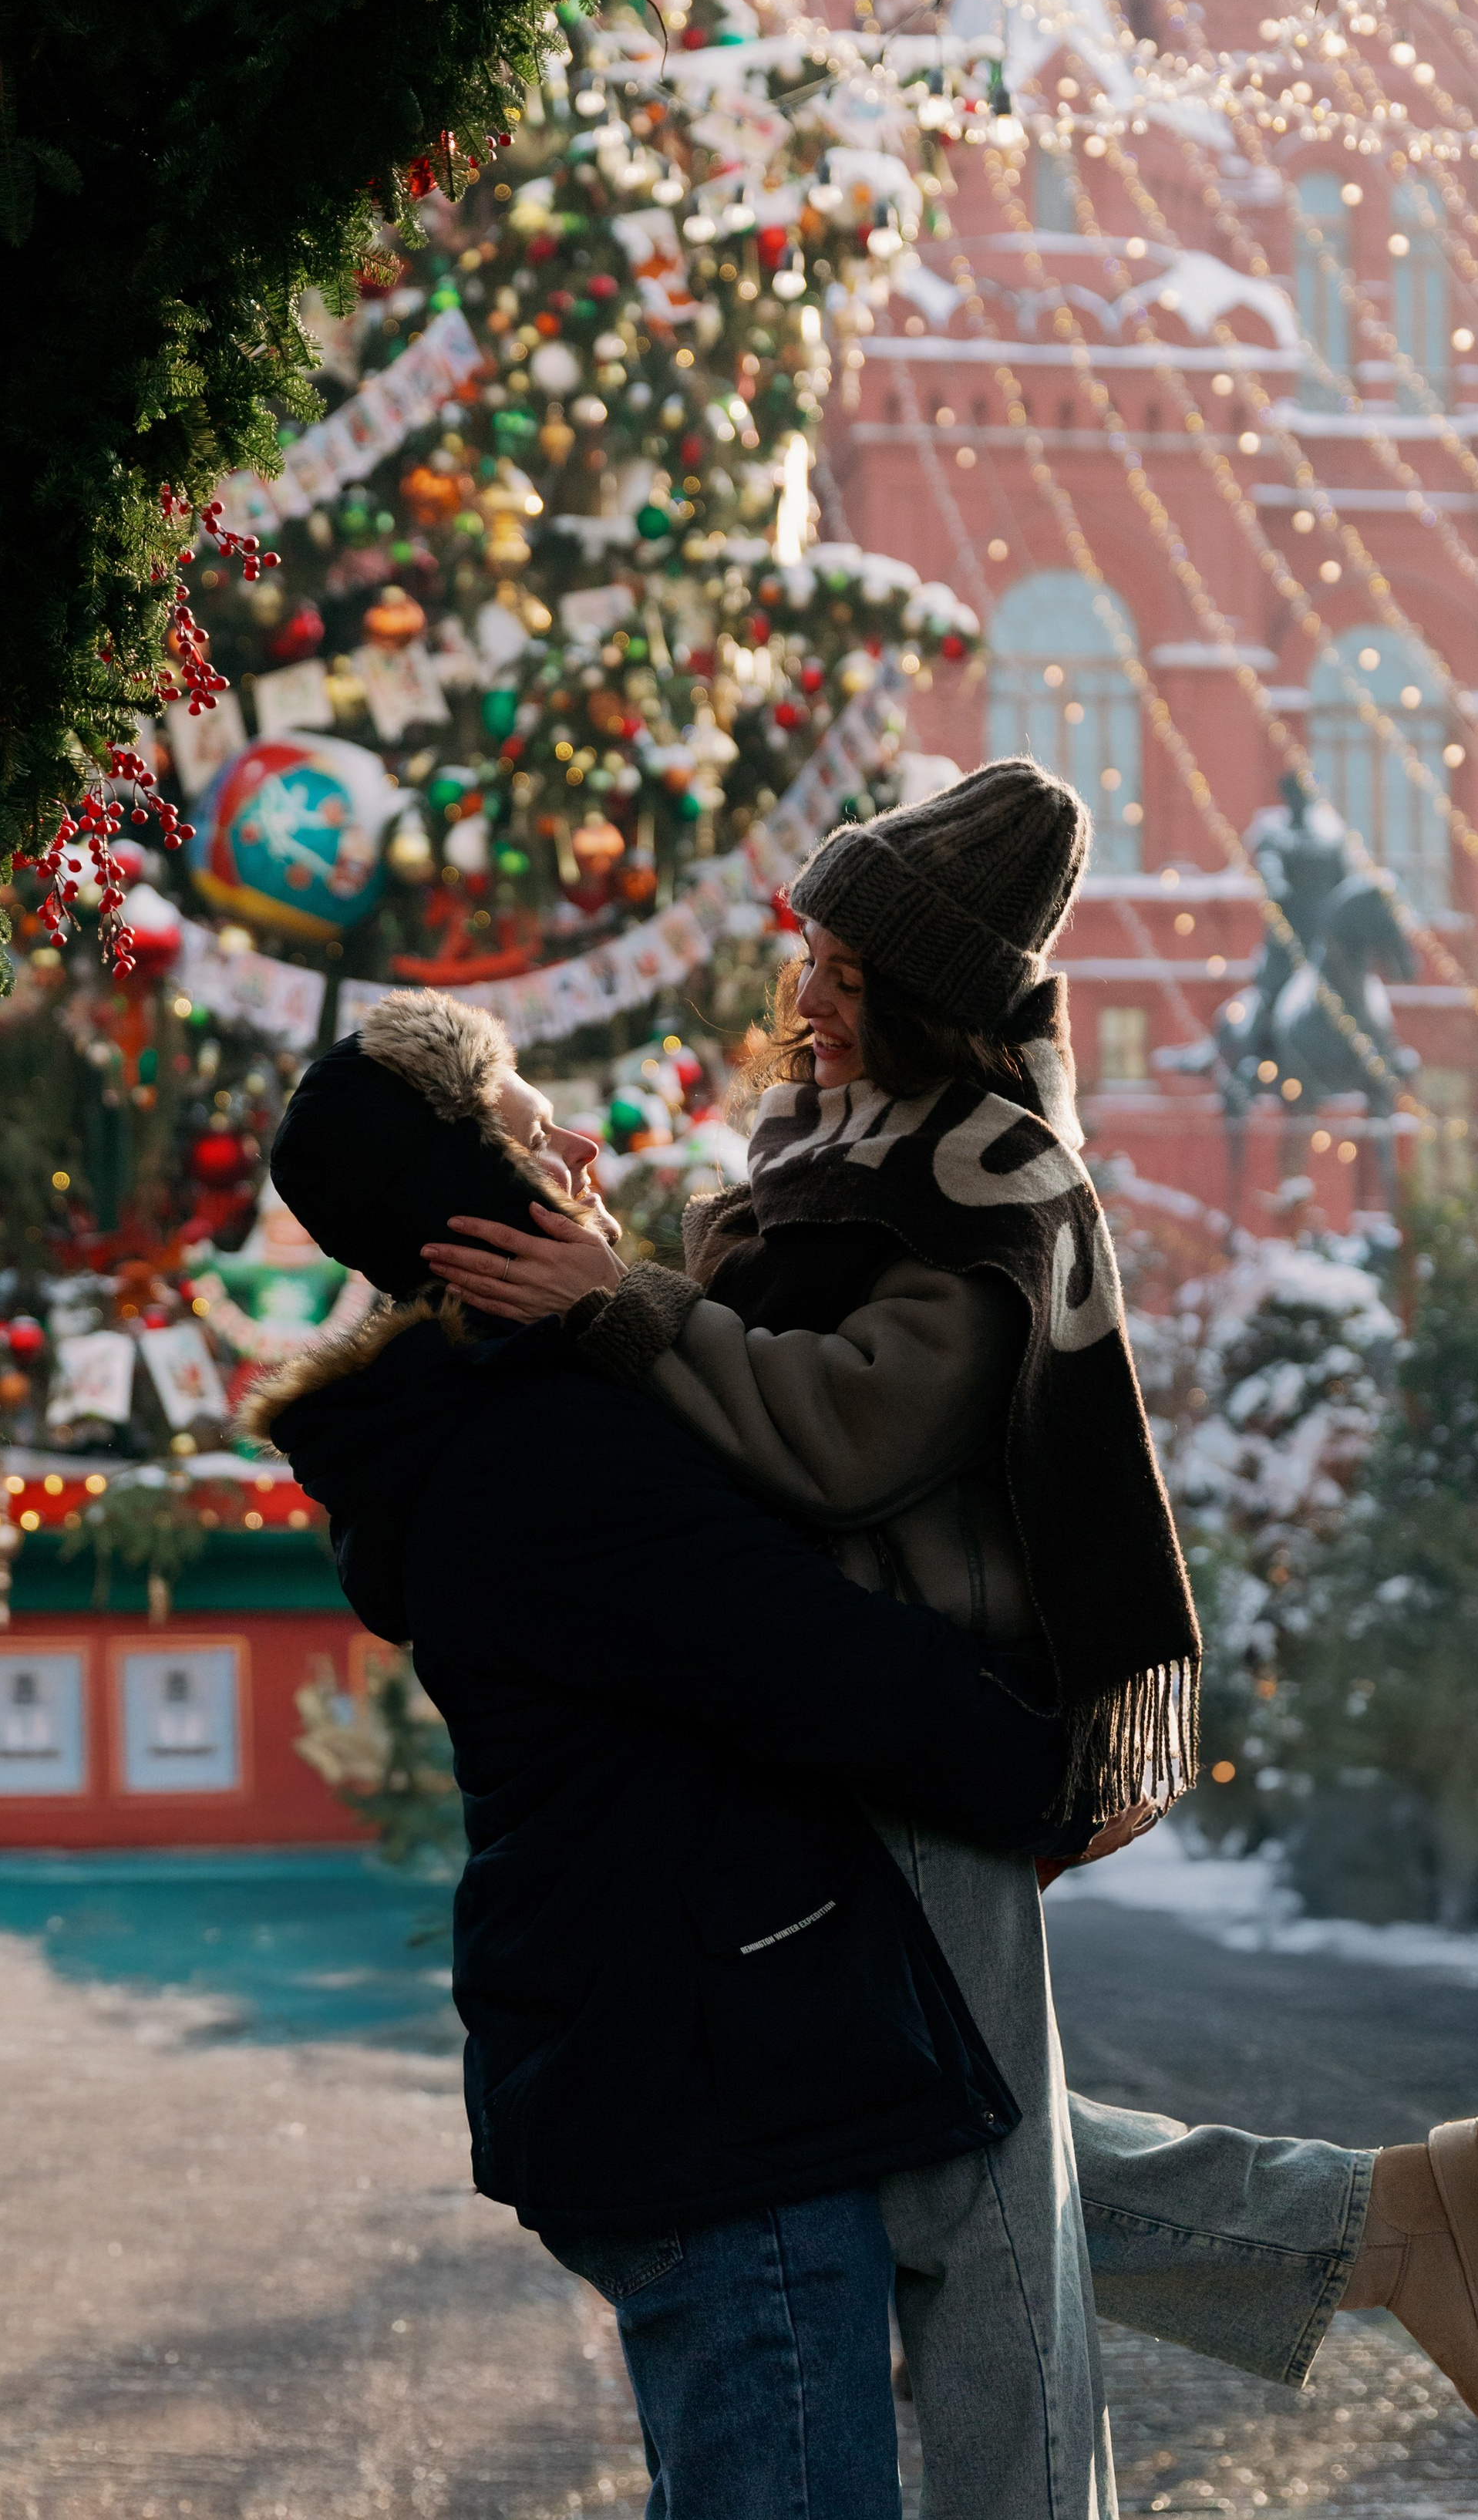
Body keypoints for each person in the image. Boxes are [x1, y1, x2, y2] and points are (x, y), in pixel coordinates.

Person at [422, 763, 1478, 2516]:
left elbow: (847, 1432)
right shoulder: (827, 1147)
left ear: (911, 997)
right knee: (921, 2142)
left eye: (839, 971)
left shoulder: (984, 1182)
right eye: (809, 955)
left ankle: (1344, 2250)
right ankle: (1365, 2228)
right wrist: (623, 1300)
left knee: (975, 2217)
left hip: (922, 1722)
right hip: (826, 1728)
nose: (802, 993)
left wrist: (620, 1305)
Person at [249, 996, 1133, 2520]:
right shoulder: (542, 1452)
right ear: (476, 1203)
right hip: (716, 2105)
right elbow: (817, 1664)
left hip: (684, 2066)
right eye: (533, 1128)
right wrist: (1065, 1769)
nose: (580, 1146)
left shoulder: (510, 1420)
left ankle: (1368, 2225)